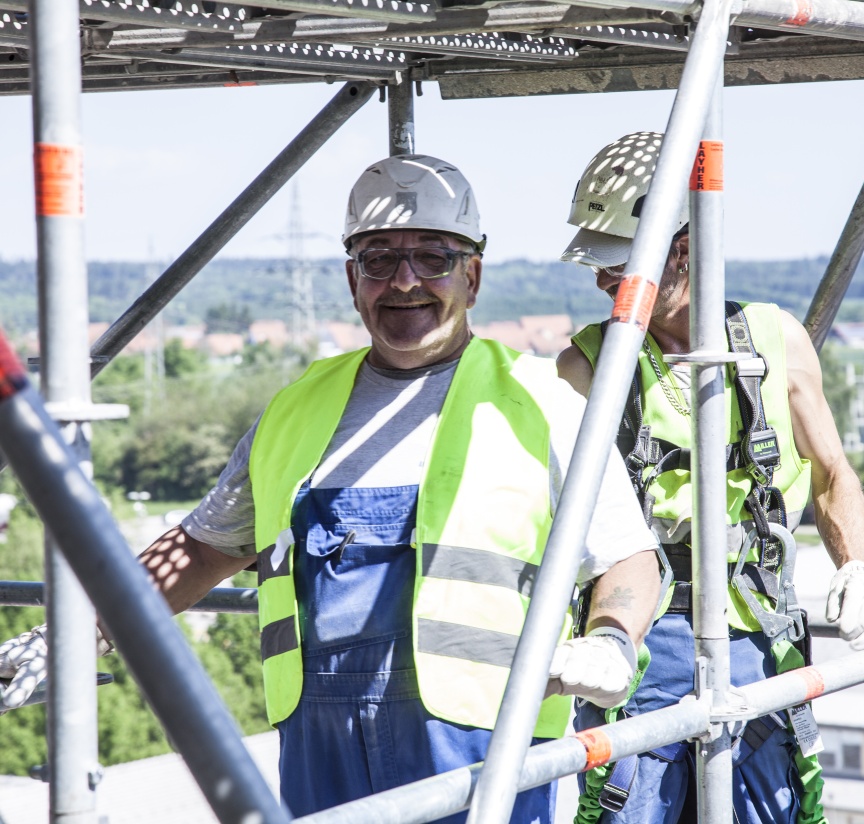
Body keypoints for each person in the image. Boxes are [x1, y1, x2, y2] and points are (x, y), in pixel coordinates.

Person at [1, 154, 662, 822]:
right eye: (379, 260)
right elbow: (200, 550)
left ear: (473, 276)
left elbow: (628, 556)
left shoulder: (541, 402)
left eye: (433, 258)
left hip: (489, 747)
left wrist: (612, 639)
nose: (404, 281)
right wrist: (79, 632)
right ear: (352, 279)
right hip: (320, 749)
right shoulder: (296, 409)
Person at [556, 131, 864, 824]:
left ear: (685, 249)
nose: (603, 281)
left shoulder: (775, 341)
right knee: (626, 805)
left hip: (761, 635)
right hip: (640, 644)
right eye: (598, 264)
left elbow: (832, 474)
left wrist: (857, 563)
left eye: (618, 263)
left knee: (774, 805)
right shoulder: (586, 368)